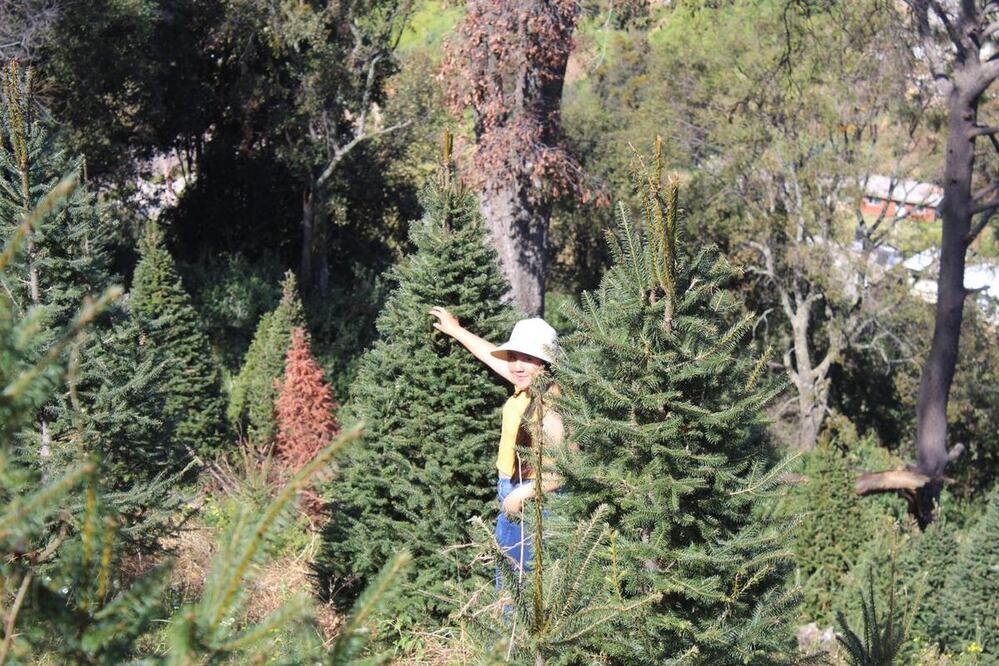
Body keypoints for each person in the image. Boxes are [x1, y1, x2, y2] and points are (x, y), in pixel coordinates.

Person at [429, 307, 564, 578]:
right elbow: (494, 359)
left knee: (518, 584)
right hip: (514, 490)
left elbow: (560, 474)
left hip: (532, 501)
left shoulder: (551, 407)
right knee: (513, 579)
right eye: (514, 356)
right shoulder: (527, 385)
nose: (517, 365)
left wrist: (518, 496)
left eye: (527, 358)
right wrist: (456, 330)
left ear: (546, 363)